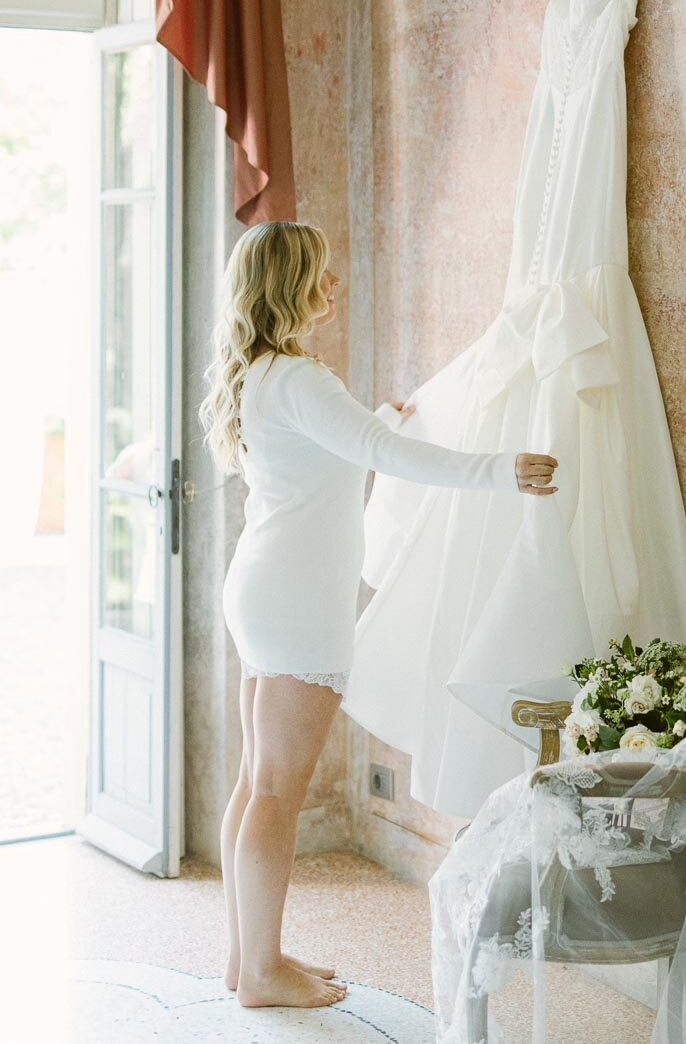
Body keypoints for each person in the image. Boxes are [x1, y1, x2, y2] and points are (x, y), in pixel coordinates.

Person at [199, 220, 558, 1009]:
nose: (335, 287)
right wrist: (504, 470)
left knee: (256, 783)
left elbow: (346, 445)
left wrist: (383, 419)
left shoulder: (260, 375)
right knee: (277, 793)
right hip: (294, 603)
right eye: (322, 275)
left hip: (262, 590)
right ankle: (260, 971)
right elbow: (387, 458)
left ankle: (245, 959)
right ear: (290, 284)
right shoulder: (300, 379)